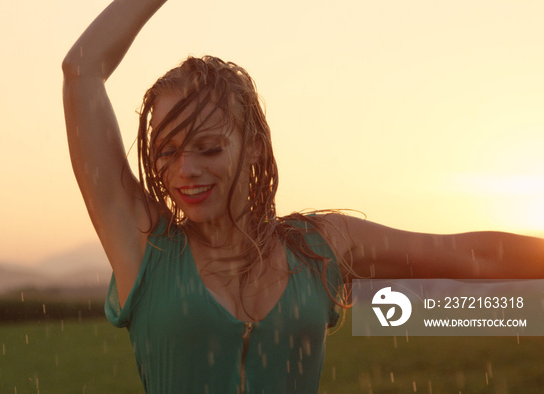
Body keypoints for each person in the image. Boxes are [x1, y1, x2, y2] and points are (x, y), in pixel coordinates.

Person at [62, 1, 544, 392]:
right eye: (166, 151)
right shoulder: (144, 246)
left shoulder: (319, 247)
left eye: (208, 147)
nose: (185, 171)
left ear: (252, 144)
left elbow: (473, 257)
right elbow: (81, 69)